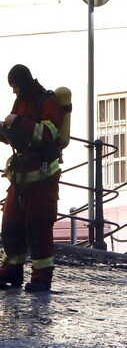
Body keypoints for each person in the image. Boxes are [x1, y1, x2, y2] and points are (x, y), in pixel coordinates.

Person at [0, 65, 65, 292]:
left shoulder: (47, 102)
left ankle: (41, 277)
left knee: (38, 228)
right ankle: (11, 271)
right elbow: (18, 132)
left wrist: (18, 123)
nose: (14, 91)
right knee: (11, 226)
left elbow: (46, 134)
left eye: (16, 86)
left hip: (42, 180)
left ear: (24, 82)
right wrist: (5, 130)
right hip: (20, 179)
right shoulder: (22, 101)